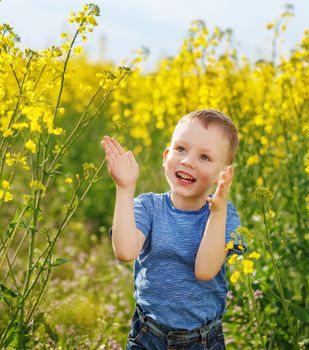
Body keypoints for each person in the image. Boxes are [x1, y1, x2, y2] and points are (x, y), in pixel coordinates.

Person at [100, 109, 246, 349]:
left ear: (223, 175)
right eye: (180, 149)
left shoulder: (224, 215)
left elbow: (205, 270)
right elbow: (125, 252)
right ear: (166, 155)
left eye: (204, 157)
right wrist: (125, 189)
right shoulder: (149, 206)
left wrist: (217, 213)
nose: (188, 160)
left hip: (203, 341)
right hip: (148, 335)